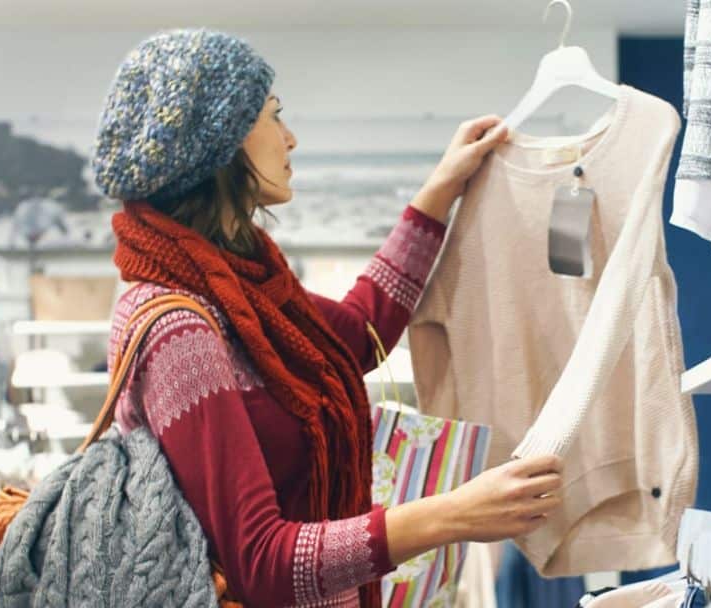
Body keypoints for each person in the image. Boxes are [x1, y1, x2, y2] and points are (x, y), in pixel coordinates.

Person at [92, 29, 564, 608]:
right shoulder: (179, 330)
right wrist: (454, 514)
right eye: (274, 116)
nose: (290, 138)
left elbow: (355, 336)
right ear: (219, 146)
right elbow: (260, 563)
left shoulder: (242, 291)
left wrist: (440, 190)